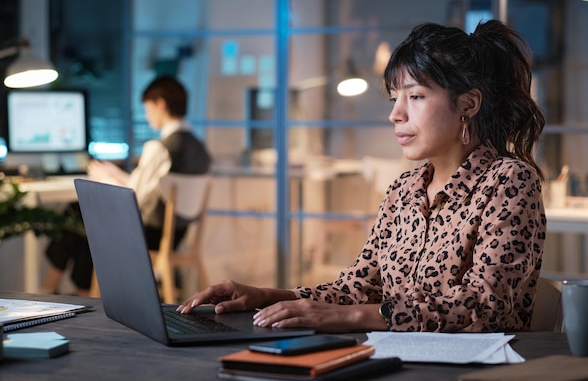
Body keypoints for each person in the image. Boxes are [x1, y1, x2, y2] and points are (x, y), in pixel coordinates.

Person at [177, 20, 546, 333]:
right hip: (399, 360)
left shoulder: (509, 181)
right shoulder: (405, 188)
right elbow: (358, 287)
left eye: (415, 97)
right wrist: (269, 296)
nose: (396, 114)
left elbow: (484, 306)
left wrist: (349, 316)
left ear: (468, 104)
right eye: (394, 98)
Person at [43, 75, 212, 296]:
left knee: (78, 212)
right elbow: (151, 188)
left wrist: (104, 179)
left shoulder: (160, 148)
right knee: (86, 217)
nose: (147, 114)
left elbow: (134, 199)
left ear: (160, 104)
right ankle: (77, 290)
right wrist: (115, 173)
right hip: (174, 235)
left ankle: (51, 289)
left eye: (148, 108)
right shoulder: (200, 148)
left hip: (146, 234)